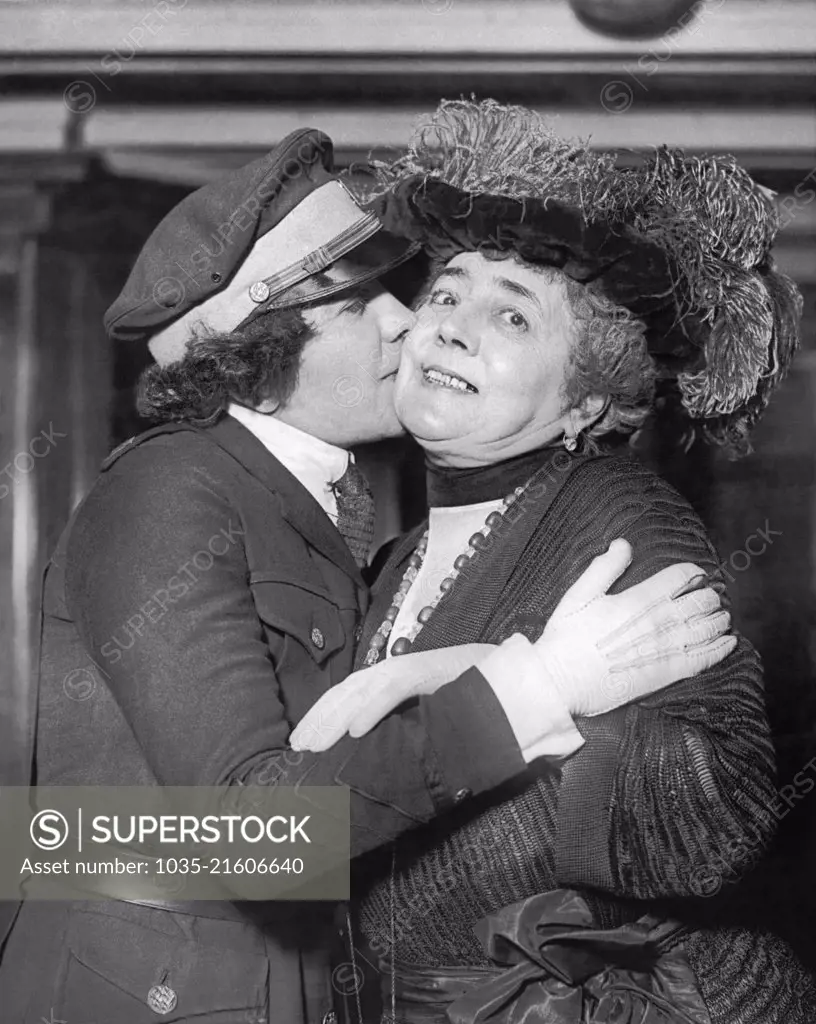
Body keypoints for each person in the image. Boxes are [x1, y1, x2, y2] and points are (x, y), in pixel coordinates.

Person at [0, 128, 732, 1024]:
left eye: (401, 289)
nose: (407, 319)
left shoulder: (322, 508)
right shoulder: (172, 487)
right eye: (357, 304)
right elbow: (246, 840)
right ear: (258, 353)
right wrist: (530, 686)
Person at [292, 100, 816, 1023]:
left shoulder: (622, 518)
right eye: (446, 294)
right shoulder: (402, 549)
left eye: (514, 318)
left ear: (584, 403)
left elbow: (721, 817)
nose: (450, 327)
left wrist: (523, 687)